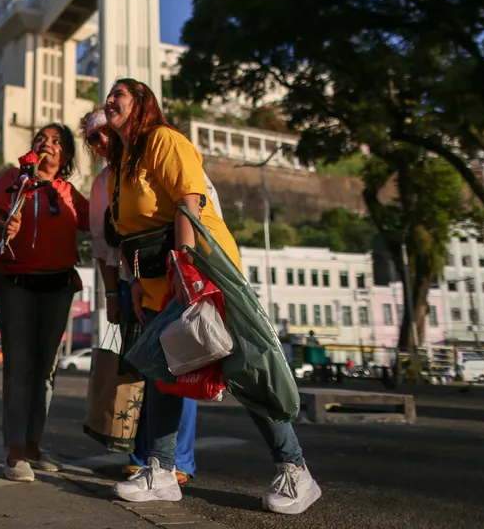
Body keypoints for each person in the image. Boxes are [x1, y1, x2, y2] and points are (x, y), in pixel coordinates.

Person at [103, 79, 321, 515]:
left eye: (118, 95)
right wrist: (140, 286)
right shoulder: (123, 160)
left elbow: (189, 202)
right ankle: (162, 470)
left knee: (245, 366)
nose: (109, 101)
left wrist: (186, 269)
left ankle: (297, 472)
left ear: (142, 104)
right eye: (108, 95)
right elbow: (128, 235)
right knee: (165, 373)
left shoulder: (164, 140)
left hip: (202, 270)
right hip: (160, 282)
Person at [81, 109, 197, 484]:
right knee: (141, 366)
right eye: (93, 139)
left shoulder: (155, 158)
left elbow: (193, 207)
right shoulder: (102, 184)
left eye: (104, 133)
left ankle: (177, 460)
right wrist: (115, 291)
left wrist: (189, 267)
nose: (101, 142)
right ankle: (143, 454)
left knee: (185, 365)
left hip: (178, 273)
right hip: (137, 283)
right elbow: (105, 246)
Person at [0, 123, 89, 482]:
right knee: (20, 367)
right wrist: (3, 226)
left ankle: (33, 445)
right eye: (42, 139)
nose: (47, 144)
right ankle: (14, 452)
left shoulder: (69, 192)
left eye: (57, 141)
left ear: (67, 157)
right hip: (15, 282)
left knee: (46, 370)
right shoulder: (14, 178)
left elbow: (101, 223)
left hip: (58, 286)